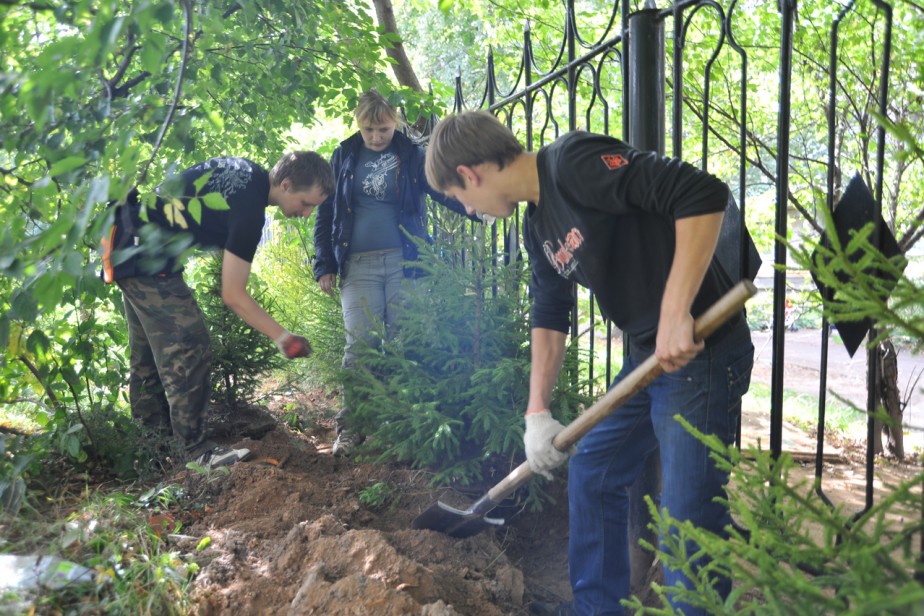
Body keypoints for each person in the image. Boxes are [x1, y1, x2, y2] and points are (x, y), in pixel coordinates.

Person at [425, 110, 754, 615]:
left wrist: (675, 310)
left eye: (457, 198)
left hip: (702, 357)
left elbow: (701, 192)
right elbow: (550, 314)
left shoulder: (572, 163)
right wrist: (537, 413)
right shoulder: (538, 228)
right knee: (594, 470)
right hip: (649, 357)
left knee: (687, 518)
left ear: (469, 174)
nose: (467, 209)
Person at [101, 152, 334, 468]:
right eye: (306, 203)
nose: (306, 214)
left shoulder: (247, 172)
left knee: (148, 359)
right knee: (189, 346)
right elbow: (233, 294)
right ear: (287, 184)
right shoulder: (250, 211)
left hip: (129, 241)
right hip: (146, 257)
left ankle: (152, 452)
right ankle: (197, 452)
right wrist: (283, 337)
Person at [313, 90, 476, 456]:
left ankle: (406, 425)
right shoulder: (343, 155)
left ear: (395, 123)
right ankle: (352, 429)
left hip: (407, 263)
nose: (376, 137)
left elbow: (440, 188)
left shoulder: (410, 154)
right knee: (360, 347)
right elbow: (327, 212)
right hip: (358, 267)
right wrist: (324, 263)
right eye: (369, 129)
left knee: (406, 342)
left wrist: (477, 205)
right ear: (359, 125)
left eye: (383, 129)